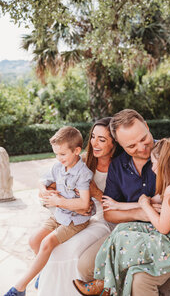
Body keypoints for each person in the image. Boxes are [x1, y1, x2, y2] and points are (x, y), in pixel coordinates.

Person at [75, 109, 170, 296]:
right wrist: (141, 212)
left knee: (138, 278)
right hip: (139, 229)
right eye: (132, 146)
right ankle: (108, 285)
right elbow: (109, 212)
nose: (142, 148)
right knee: (86, 265)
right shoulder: (118, 165)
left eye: (144, 139)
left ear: (148, 127)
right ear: (120, 144)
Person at [37, 117, 122, 296]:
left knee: (69, 250)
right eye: (93, 136)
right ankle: (47, 282)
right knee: (50, 245)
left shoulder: (120, 166)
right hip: (86, 217)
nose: (95, 143)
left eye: (102, 139)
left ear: (114, 143)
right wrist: (49, 193)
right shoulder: (84, 160)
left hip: (108, 220)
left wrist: (95, 192)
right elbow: (54, 184)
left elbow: (119, 204)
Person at [5, 126, 94, 296]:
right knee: (33, 241)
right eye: (56, 154)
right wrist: (44, 190)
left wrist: (58, 201)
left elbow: (83, 204)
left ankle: (19, 288)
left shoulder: (83, 174)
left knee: (47, 243)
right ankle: (44, 271)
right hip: (59, 214)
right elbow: (41, 181)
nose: (58, 158)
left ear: (76, 151)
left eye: (62, 154)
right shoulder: (58, 167)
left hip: (76, 220)